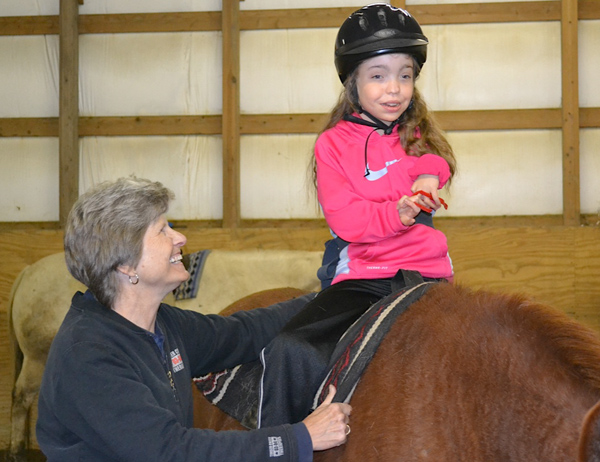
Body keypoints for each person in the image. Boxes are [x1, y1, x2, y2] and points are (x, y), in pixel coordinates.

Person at [36, 176, 352, 462]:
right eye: (162, 230)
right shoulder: (88, 353)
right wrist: (299, 439)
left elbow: (245, 333)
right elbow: (171, 452)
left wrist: (339, 296)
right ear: (126, 266)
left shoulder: (163, 326)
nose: (180, 238)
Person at [258, 3, 457, 427]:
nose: (394, 89)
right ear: (354, 83)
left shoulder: (415, 132)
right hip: (365, 277)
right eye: (379, 76)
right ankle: (278, 446)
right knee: (289, 349)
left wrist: (426, 180)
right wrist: (398, 214)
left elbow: (435, 162)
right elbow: (347, 221)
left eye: (405, 75)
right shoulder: (332, 145)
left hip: (426, 274)